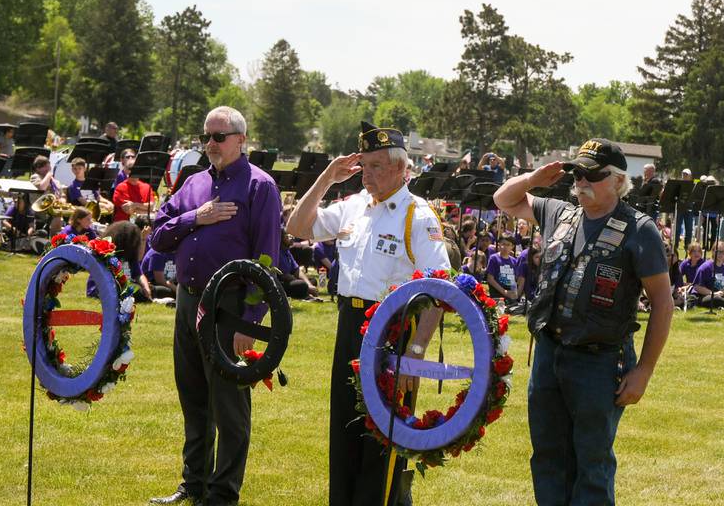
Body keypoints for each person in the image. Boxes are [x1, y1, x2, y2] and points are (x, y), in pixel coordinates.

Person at [493, 138, 673, 506]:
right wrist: (533, 178)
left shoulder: (640, 230)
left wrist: (644, 370)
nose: (581, 180)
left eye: (593, 174)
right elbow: (504, 200)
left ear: (618, 181)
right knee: (548, 456)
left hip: (600, 361)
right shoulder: (560, 212)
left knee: (592, 463)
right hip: (549, 354)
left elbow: (663, 303)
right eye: (578, 172)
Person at [285, 121, 450, 506]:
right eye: (364, 165)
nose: (367, 174)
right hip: (350, 325)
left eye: (376, 165)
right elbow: (297, 226)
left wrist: (417, 351)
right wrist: (326, 177)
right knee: (345, 428)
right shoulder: (355, 205)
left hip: (393, 331)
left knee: (383, 438)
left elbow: (440, 289)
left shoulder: (418, 215)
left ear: (401, 169)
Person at [149, 106, 281, 506]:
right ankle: (194, 484)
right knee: (193, 398)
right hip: (189, 301)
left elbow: (267, 262)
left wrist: (250, 320)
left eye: (218, 137)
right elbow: (157, 234)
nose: (210, 144)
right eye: (206, 136)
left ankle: (222, 494)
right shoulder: (192, 184)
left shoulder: (260, 187)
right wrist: (196, 218)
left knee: (229, 407)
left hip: (228, 306)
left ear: (242, 140)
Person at [112, 157, 156, 222]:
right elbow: (129, 211)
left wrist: (135, 205)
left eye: (136, 169)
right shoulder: (121, 187)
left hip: (142, 226)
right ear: (125, 170)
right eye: (130, 169)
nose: (132, 171)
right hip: (124, 226)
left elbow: (152, 207)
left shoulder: (147, 187)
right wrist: (146, 209)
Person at [485, 234, 518, 299]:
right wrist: (504, 292)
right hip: (497, 295)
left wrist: (514, 293)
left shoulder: (514, 261)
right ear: (499, 245)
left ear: (512, 246)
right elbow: (490, 279)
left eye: (508, 245)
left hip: (510, 295)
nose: (505, 247)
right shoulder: (494, 258)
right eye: (503, 244)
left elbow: (514, 280)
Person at [673, 168, 694, 251]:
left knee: (689, 228)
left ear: (690, 176)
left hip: (689, 209)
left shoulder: (693, 186)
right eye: (683, 174)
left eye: (686, 175)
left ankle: (687, 246)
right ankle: (675, 245)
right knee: (677, 228)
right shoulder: (678, 185)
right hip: (679, 208)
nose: (684, 176)